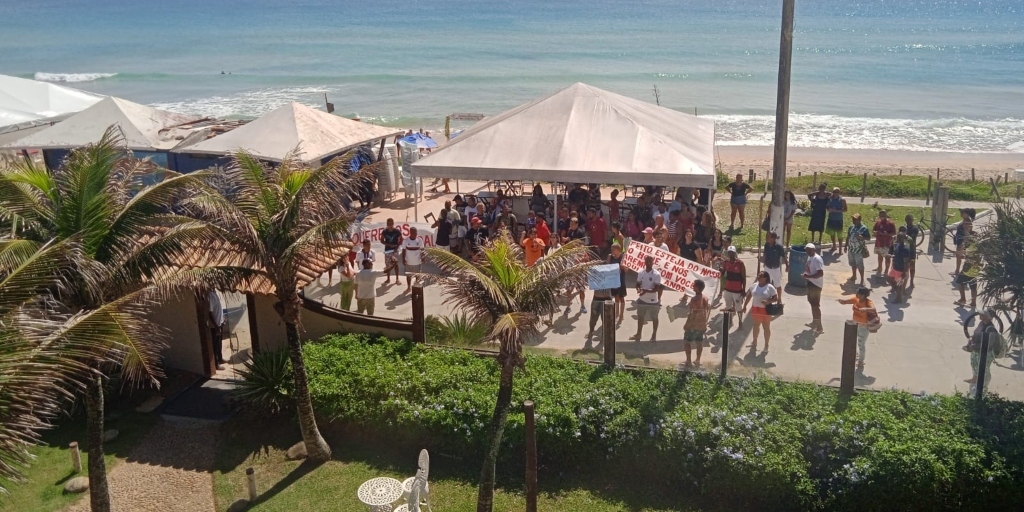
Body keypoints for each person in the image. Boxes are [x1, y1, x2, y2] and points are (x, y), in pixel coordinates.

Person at [838, 287, 876, 371]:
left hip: (863, 326)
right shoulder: (856, 299)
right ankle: (856, 355)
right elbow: (846, 302)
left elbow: (873, 309)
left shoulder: (868, 302)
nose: (856, 294)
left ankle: (861, 361)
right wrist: (841, 301)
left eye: (858, 293)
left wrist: (865, 309)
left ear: (863, 295)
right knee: (853, 341)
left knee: (861, 344)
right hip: (854, 324)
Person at [964, 308, 999, 392]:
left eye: (982, 314)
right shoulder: (981, 323)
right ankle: (974, 379)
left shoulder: (991, 329)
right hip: (976, 351)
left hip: (984, 353)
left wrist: (974, 346)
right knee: (975, 366)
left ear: (987, 317)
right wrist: (971, 342)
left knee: (983, 370)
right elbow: (976, 334)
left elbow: (988, 345)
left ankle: (983, 386)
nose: (980, 315)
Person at [742, 271, 779, 351]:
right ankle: (754, 341)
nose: (758, 277)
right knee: (756, 326)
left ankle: (766, 345)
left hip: (765, 310)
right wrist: (744, 306)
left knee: (766, 327)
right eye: (758, 276)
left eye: (761, 276)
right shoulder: (754, 286)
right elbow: (749, 296)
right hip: (755, 309)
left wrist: (768, 302)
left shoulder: (770, 287)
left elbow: (775, 298)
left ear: (765, 278)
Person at [631, 255, 663, 342]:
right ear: (644, 262)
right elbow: (638, 284)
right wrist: (638, 289)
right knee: (640, 317)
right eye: (647, 261)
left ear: (653, 263)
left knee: (654, 318)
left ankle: (654, 334)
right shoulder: (641, 273)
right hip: (642, 300)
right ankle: (638, 334)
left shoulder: (657, 274)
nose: (648, 263)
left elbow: (656, 289)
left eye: (650, 261)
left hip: (653, 301)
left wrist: (645, 290)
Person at [683, 279, 711, 367]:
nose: (692, 287)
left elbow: (693, 313)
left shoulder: (694, 299)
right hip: (702, 324)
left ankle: (688, 360)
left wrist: (687, 324)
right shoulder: (705, 297)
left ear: (698, 288)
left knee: (687, 342)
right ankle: (698, 360)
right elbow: (707, 310)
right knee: (699, 342)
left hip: (694, 325)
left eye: (694, 286)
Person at [720, 246, 747, 328]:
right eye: (729, 252)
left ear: (735, 253)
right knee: (728, 306)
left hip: (737, 289)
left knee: (738, 307)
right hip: (727, 288)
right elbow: (723, 272)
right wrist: (721, 269)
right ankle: (730, 320)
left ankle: (740, 321)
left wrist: (743, 289)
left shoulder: (740, 263)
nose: (730, 253)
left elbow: (743, 277)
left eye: (732, 252)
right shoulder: (726, 262)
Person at [802, 243, 825, 333]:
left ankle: (819, 327)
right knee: (812, 304)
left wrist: (809, 277)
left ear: (814, 250)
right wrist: (806, 275)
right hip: (810, 283)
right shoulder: (810, 257)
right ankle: (814, 322)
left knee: (815, 305)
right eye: (807, 249)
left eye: (809, 249)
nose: (807, 251)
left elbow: (820, 273)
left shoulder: (817, 259)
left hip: (816, 285)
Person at [761, 231, 787, 303]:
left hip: (775, 269)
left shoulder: (779, 247)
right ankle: (768, 298)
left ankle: (779, 299)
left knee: (777, 284)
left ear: (773, 238)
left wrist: (787, 266)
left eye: (768, 236)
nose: (767, 238)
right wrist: (764, 261)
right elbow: (765, 254)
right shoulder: (766, 245)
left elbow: (784, 257)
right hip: (767, 267)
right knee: (766, 283)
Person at [888, 228, 913, 303]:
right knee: (889, 279)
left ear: (903, 238)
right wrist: (891, 256)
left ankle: (899, 298)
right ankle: (899, 292)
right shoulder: (897, 245)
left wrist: (904, 273)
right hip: (895, 266)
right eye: (897, 237)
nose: (898, 238)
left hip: (900, 269)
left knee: (899, 284)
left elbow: (906, 261)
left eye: (899, 237)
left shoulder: (905, 249)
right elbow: (895, 254)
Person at [845, 213, 871, 285]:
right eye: (853, 219)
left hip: (858, 250)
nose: (853, 221)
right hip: (851, 249)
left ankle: (862, 279)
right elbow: (848, 237)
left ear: (859, 220)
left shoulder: (864, 228)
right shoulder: (851, 227)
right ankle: (854, 276)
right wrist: (845, 246)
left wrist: (861, 237)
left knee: (860, 264)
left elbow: (868, 238)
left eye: (855, 219)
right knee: (853, 263)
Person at [608, 243, 627, 324]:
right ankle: (617, 313)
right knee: (616, 297)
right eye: (611, 249)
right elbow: (607, 267)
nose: (612, 251)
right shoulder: (610, 256)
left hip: (621, 280)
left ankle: (622, 314)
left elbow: (626, 270)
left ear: (618, 250)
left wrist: (622, 267)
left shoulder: (623, 257)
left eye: (614, 249)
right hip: (613, 280)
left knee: (621, 297)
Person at [872, 210, 897, 275]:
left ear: (886, 215)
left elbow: (894, 233)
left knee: (887, 257)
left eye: (883, 215)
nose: (882, 216)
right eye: (881, 215)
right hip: (879, 243)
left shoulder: (890, 223)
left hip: (887, 243)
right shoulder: (878, 222)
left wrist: (887, 234)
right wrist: (875, 232)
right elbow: (874, 230)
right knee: (879, 256)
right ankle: (879, 268)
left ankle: (886, 270)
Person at [207, 289, 226, 370]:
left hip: (220, 323)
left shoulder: (215, 293)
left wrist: (222, 318)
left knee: (219, 343)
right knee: (215, 345)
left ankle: (220, 358)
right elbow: (210, 312)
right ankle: (216, 363)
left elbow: (218, 308)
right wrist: (216, 326)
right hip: (215, 326)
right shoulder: (210, 295)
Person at [401, 226, 424, 293]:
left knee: (417, 276)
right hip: (409, 262)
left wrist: (423, 257)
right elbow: (403, 250)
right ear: (410, 233)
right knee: (408, 276)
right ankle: (408, 287)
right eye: (413, 232)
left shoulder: (419, 240)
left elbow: (422, 249)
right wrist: (403, 259)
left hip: (417, 262)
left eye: (416, 233)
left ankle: (416, 286)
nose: (415, 234)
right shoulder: (406, 241)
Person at [953, 208, 975, 275]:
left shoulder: (967, 222)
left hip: (962, 241)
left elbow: (966, 233)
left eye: (963, 213)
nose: (961, 214)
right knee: (959, 255)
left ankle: (959, 271)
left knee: (960, 255)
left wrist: (963, 244)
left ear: (967, 214)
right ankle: (958, 271)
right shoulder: (965, 220)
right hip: (960, 240)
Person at [825, 187, 847, 253]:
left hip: (838, 219)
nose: (836, 193)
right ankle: (834, 246)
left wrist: (836, 210)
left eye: (837, 192)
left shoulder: (842, 200)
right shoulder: (830, 199)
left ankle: (840, 249)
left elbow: (845, 209)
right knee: (832, 233)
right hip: (831, 218)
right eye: (834, 192)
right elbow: (827, 206)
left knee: (839, 234)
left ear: (839, 193)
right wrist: (828, 209)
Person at [381, 218, 403, 284]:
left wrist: (397, 246)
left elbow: (401, 239)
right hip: (387, 250)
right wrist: (388, 244)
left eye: (390, 224)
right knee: (388, 265)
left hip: (395, 250)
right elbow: (382, 240)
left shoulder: (397, 231)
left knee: (395, 264)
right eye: (388, 224)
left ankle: (397, 279)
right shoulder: (384, 231)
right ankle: (388, 279)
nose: (389, 225)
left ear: (393, 224)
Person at [904, 214, 920, 286]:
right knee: (903, 266)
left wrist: (904, 235)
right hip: (904, 249)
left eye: (911, 220)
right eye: (908, 220)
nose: (910, 221)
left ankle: (911, 281)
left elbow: (912, 238)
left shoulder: (915, 228)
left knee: (912, 266)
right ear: (906, 220)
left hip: (911, 250)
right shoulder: (903, 228)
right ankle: (903, 282)